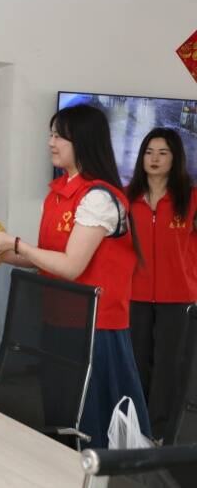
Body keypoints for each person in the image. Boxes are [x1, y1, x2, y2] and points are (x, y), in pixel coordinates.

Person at [0, 104, 151, 448]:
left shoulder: (99, 198)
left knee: (91, 420)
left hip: (96, 328)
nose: (51, 143)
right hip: (59, 320)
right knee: (60, 412)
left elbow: (71, 266)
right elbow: (46, 259)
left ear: (83, 141)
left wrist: (14, 243)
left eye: (59, 136)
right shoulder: (58, 193)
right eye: (51, 134)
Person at [126, 127, 197, 439]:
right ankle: (134, 427)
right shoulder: (126, 198)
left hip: (179, 297)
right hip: (135, 294)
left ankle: (161, 433)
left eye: (162, 153)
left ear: (175, 158)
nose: (154, 159)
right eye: (149, 152)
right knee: (136, 362)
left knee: (169, 366)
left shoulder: (191, 199)